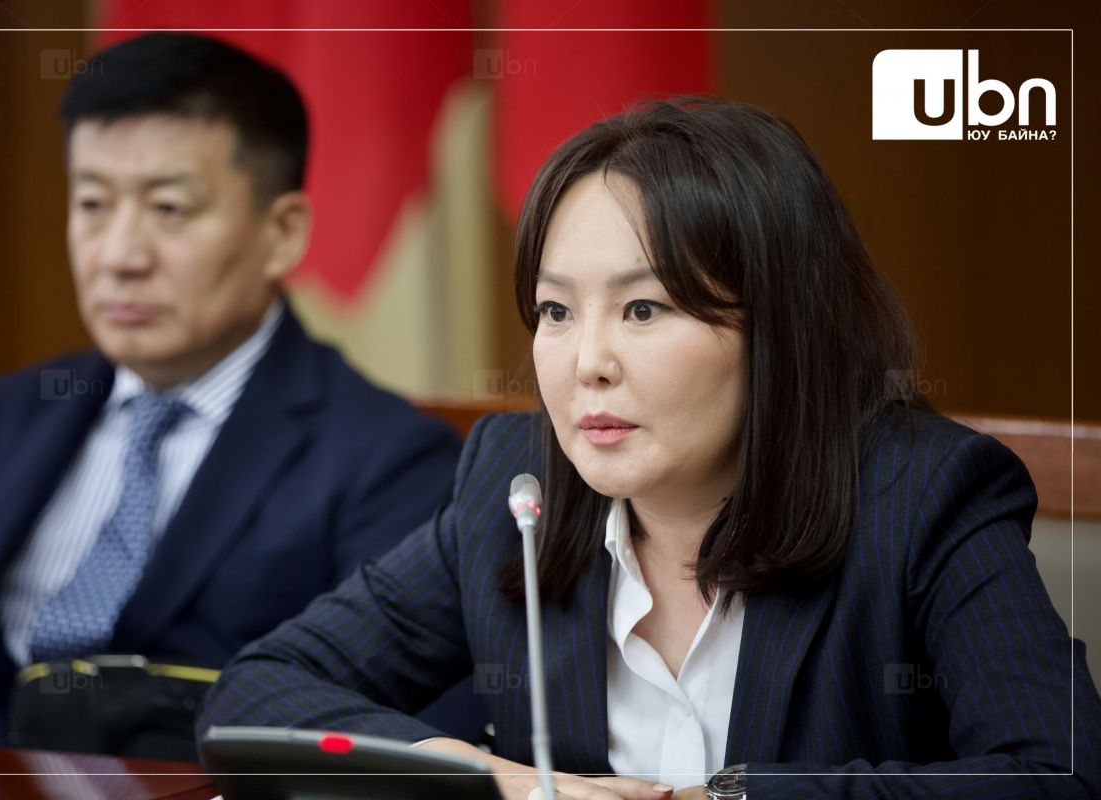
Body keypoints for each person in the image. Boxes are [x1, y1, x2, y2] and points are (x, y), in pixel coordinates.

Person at [196, 96, 1101, 799]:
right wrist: (492, 779)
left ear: (779, 329)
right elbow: (260, 691)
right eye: (556, 311)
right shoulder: (514, 486)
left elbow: (1059, 772)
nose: (585, 363)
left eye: (643, 308)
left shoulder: (924, 494)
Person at [0, 32, 478, 753]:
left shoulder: (387, 460)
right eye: (92, 203)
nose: (120, 256)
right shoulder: (0, 417)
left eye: (169, 208)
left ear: (282, 232)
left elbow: (398, 744)